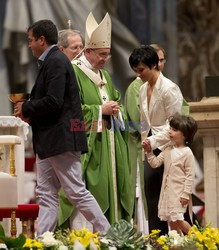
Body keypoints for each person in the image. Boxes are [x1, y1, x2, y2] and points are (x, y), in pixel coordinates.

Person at [13, 19, 110, 235]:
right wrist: (31, 114)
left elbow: (54, 101)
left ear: (41, 40)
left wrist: (28, 107)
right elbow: (54, 104)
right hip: (50, 140)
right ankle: (42, 239)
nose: (29, 45)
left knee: (76, 191)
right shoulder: (51, 61)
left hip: (61, 140)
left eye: (30, 40)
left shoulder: (56, 61)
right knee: (46, 194)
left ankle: (109, 234)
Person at [58, 12, 132, 229]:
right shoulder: (72, 72)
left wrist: (117, 111)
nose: (105, 60)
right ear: (87, 51)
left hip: (109, 143)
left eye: (107, 55)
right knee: (86, 191)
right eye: (101, 54)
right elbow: (69, 112)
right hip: (87, 146)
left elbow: (115, 99)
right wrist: (101, 110)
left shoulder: (105, 75)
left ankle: (112, 235)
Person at [129, 45, 184, 235]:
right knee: (152, 198)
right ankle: (157, 241)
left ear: (154, 65)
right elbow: (145, 122)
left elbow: (176, 124)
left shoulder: (169, 88)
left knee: (174, 202)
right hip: (151, 148)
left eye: (141, 70)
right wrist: (147, 143)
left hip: (169, 147)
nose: (138, 74)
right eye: (135, 71)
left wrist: (153, 140)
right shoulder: (143, 88)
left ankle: (188, 242)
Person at [125, 44, 167, 233]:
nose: (160, 64)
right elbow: (137, 123)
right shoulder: (138, 87)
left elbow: (181, 115)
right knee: (153, 198)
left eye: (162, 60)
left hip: (166, 144)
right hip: (146, 147)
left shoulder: (168, 86)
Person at [142, 114, 197, 235]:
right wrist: (149, 152)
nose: (170, 132)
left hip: (178, 194)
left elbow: (189, 176)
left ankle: (199, 239)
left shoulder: (187, 153)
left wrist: (186, 194)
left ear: (185, 134)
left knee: (178, 220)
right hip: (167, 194)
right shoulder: (168, 149)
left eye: (175, 130)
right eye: (170, 129)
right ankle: (175, 244)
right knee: (171, 223)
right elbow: (155, 163)